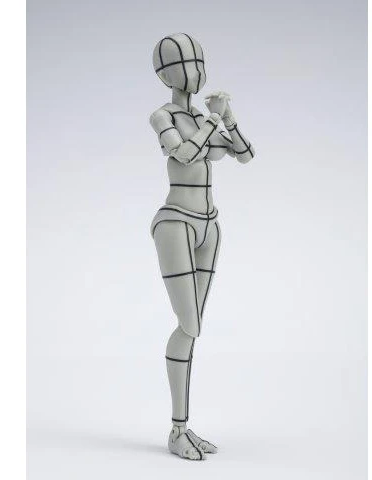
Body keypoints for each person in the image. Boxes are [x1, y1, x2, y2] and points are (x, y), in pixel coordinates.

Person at [149, 33, 255, 460]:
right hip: (176, 222)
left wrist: (228, 117)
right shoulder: (162, 115)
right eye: (184, 62)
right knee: (188, 326)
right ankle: (177, 430)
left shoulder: (200, 116)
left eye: (198, 60)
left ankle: (183, 428)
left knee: (194, 329)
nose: (194, 71)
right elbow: (185, 155)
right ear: (165, 72)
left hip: (210, 225)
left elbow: (245, 155)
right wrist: (213, 121)